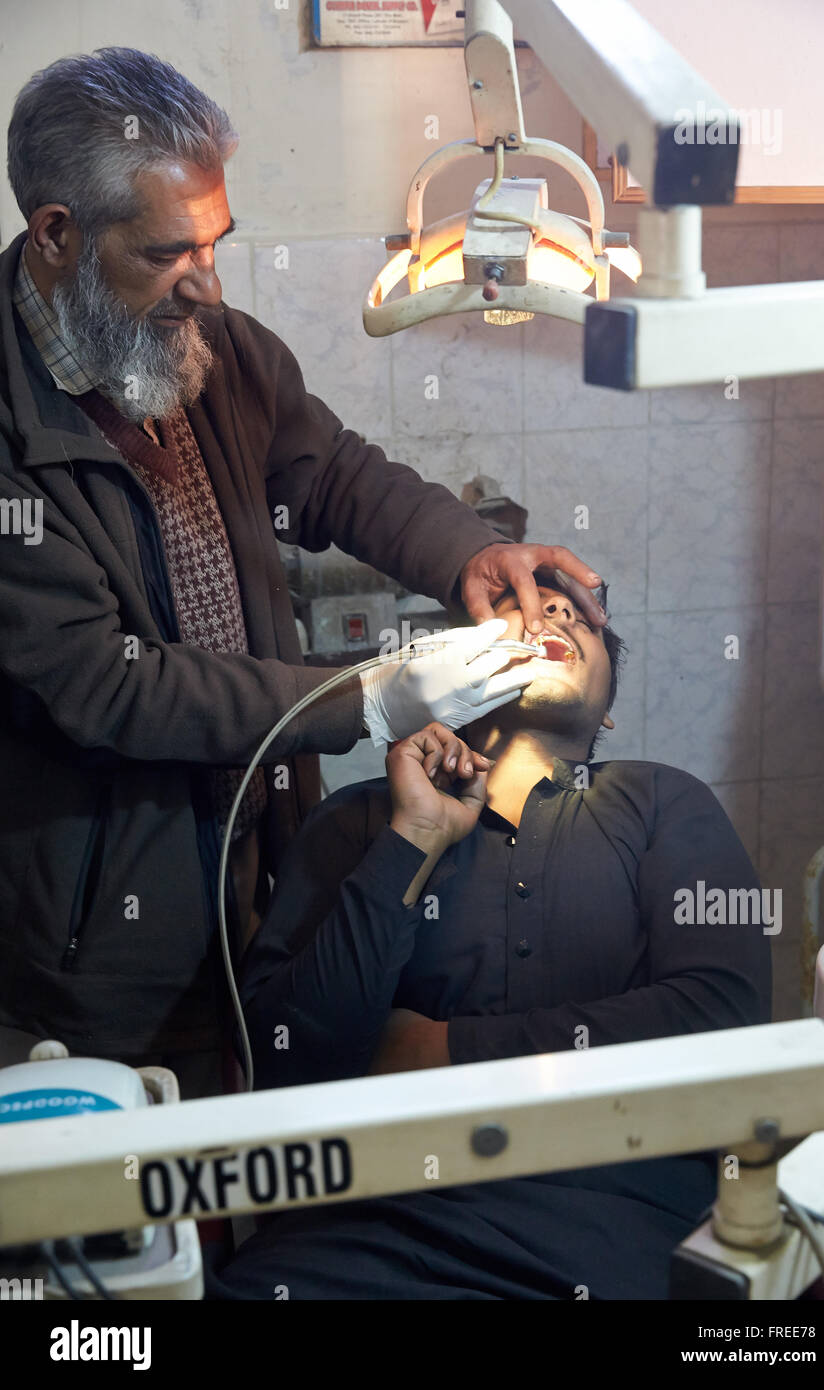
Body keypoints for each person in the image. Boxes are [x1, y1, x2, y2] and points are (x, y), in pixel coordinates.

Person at [0, 48, 607, 1092]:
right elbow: (109, 683)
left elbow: (329, 475)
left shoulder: (209, 346)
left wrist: (469, 551)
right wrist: (367, 698)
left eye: (217, 242)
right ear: (56, 234)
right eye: (166, 253)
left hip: (259, 861)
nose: (208, 284)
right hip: (99, 934)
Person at [209, 569, 772, 1299]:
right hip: (353, 1240)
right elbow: (286, 1063)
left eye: (585, 621)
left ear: (605, 714)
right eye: (519, 608)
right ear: (454, 670)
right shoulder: (358, 823)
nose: (559, 613)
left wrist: (442, 1051)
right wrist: (413, 837)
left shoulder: (663, 801)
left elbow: (720, 1023)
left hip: (614, 1236)